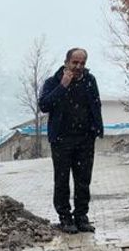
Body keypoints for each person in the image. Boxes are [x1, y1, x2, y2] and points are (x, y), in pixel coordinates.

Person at [38, 48, 104, 233]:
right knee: (62, 180)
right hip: (61, 140)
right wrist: (63, 86)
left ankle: (81, 217)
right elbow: (44, 105)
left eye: (82, 63)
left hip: (85, 139)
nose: (78, 66)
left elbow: (96, 104)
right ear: (66, 62)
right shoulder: (53, 82)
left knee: (83, 180)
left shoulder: (90, 81)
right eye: (75, 62)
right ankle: (65, 218)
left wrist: (97, 128)